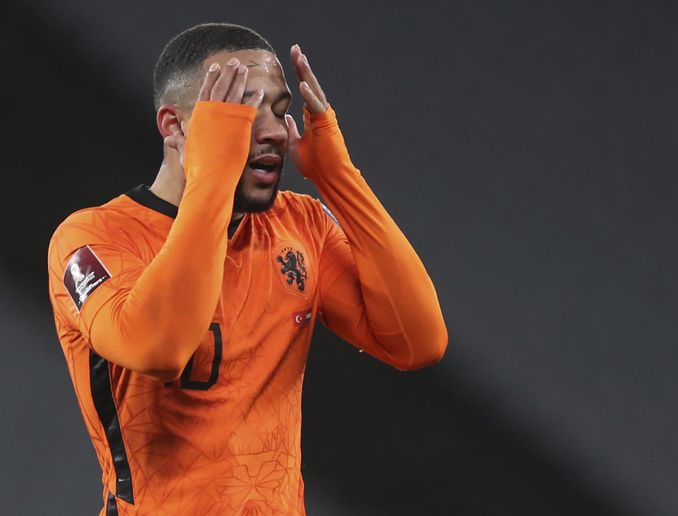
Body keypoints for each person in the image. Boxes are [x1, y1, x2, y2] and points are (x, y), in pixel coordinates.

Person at [47, 22, 447, 515]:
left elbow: (416, 342)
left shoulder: (300, 227)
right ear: (174, 128)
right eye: (240, 111)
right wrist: (214, 170)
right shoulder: (91, 239)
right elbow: (159, 347)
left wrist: (339, 178)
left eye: (279, 111)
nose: (276, 131)